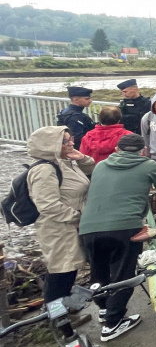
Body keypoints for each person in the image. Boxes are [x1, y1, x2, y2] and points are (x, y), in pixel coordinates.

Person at [79, 134, 156, 341]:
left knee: (99, 272)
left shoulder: (100, 166)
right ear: (142, 150)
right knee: (124, 273)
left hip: (88, 227)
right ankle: (113, 324)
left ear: (117, 149)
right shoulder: (147, 165)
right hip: (124, 226)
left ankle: (105, 308)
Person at [25, 126, 94, 303]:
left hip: (72, 226)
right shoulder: (44, 171)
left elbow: (89, 173)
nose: (72, 143)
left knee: (69, 272)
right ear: (50, 145)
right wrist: (77, 218)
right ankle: (58, 322)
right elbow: (47, 205)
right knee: (61, 275)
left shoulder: (63, 161)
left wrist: (82, 158)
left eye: (71, 139)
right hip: (59, 230)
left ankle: (63, 314)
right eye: (65, 141)